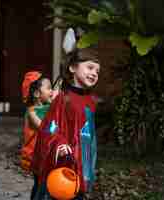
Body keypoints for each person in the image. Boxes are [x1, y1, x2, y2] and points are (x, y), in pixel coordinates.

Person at [30, 46, 100, 199]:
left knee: (77, 192)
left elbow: (89, 134)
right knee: (60, 193)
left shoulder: (91, 101)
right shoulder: (64, 99)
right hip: (63, 162)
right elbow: (50, 126)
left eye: (97, 71)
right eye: (90, 67)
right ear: (73, 68)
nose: (94, 73)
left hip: (83, 160)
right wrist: (59, 143)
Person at [20, 70, 54, 172]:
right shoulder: (32, 112)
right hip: (34, 155)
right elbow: (43, 127)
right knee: (40, 182)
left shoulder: (48, 107)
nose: (52, 91)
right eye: (49, 88)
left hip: (44, 153)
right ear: (36, 93)